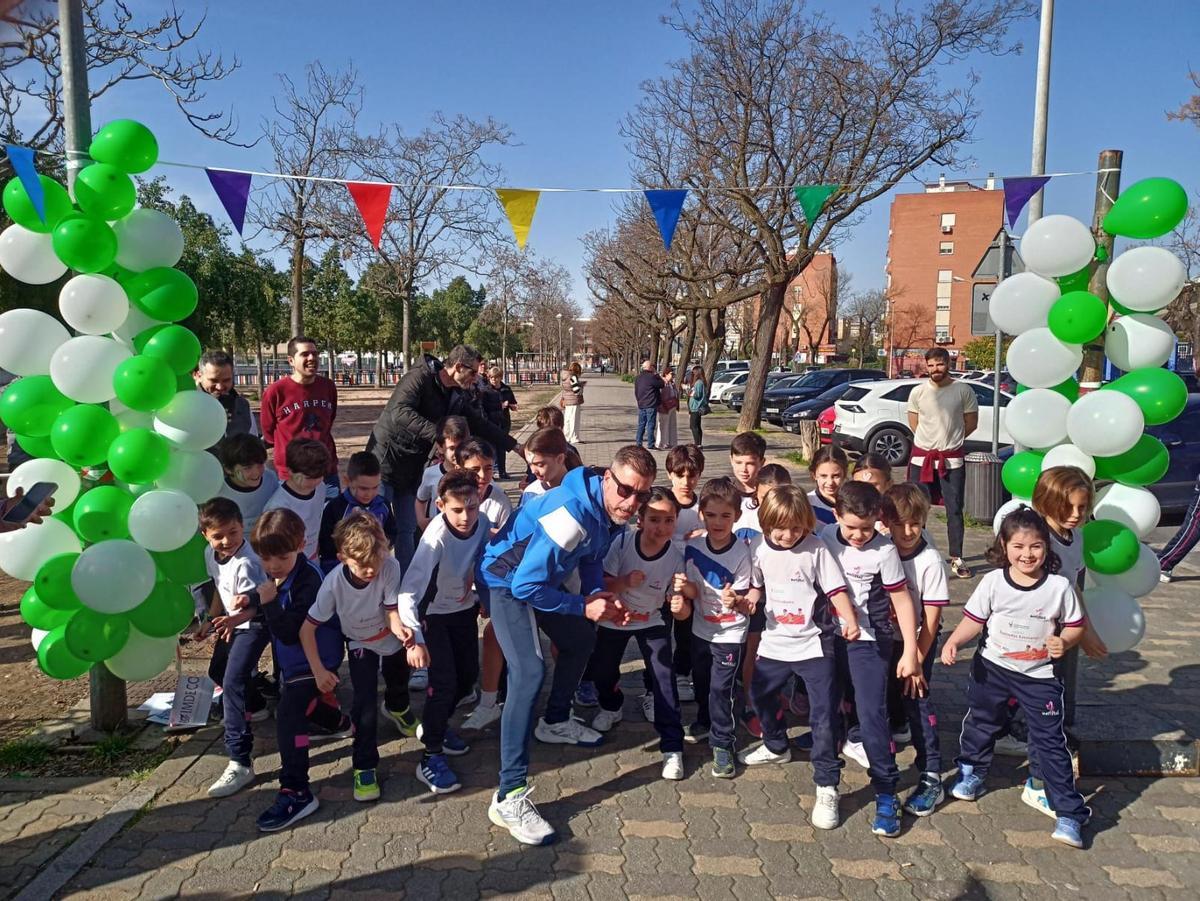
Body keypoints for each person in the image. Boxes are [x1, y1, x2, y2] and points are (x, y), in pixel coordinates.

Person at [478, 445, 654, 845]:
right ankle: (508, 796)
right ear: (607, 478)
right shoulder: (571, 515)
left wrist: (596, 594)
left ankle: (555, 721)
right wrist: (582, 605)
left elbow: (590, 557)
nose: (632, 503)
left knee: (580, 640)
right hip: (505, 582)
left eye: (641, 494)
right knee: (528, 673)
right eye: (625, 490)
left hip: (538, 581)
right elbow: (525, 586)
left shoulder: (606, 510)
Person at [941, 507, 1091, 849]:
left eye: (1036, 546)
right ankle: (972, 771)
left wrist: (1065, 641)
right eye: (1018, 546)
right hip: (992, 668)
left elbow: (1075, 625)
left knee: (1050, 741)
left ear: (1047, 547)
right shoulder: (993, 582)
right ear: (1004, 547)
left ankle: (1069, 811)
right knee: (982, 721)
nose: (1027, 554)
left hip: (1039, 677)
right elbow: (974, 620)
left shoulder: (1059, 587)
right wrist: (953, 642)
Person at [736, 486, 857, 831]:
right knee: (759, 694)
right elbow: (756, 585)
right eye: (781, 528)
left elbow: (836, 590)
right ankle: (776, 745)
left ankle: (827, 784)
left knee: (823, 716)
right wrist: (749, 600)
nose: (789, 535)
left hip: (814, 645)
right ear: (765, 523)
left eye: (796, 528)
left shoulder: (816, 549)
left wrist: (849, 619)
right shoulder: (758, 548)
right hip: (775, 642)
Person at [819, 481, 921, 838]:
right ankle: (826, 785)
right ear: (836, 515)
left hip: (869, 643)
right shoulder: (824, 537)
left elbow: (902, 600)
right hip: (827, 639)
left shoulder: (885, 551)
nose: (859, 535)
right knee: (825, 712)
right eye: (851, 527)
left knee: (872, 715)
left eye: (866, 528)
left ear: (877, 518)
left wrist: (910, 650)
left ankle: (886, 792)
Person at [367, 345, 518, 570]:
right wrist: (439, 436)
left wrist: (515, 445)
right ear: (458, 367)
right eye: (473, 372)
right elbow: (400, 412)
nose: (477, 377)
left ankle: (406, 578)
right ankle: (369, 577)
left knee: (406, 529)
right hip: (385, 460)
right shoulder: (419, 378)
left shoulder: (456, 393)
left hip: (412, 467)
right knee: (375, 526)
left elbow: (478, 422)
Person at [301, 513, 411, 802]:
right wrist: (318, 670)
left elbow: (391, 611)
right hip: (360, 642)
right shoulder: (332, 585)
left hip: (389, 638)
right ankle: (364, 765)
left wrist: (405, 633)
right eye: (362, 565)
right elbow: (306, 629)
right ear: (342, 558)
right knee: (364, 704)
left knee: (400, 678)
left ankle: (398, 707)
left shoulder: (390, 565)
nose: (372, 569)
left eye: (377, 560)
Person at [394, 470, 490, 794]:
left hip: (463, 610)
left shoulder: (482, 522)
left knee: (467, 678)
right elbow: (408, 592)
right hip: (432, 617)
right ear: (440, 505)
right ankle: (430, 755)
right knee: (444, 683)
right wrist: (415, 641)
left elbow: (484, 558)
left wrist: (482, 591)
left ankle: (437, 725)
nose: (466, 517)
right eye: (457, 510)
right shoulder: (434, 538)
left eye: (472, 507)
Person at [251, 508, 347, 832]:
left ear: (301, 545)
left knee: (289, 718)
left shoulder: (309, 580)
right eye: (266, 558)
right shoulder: (281, 575)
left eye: (281, 556)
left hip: (316, 660)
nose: (273, 565)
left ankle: (296, 791)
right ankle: (339, 723)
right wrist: (249, 606)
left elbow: (290, 631)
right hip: (295, 662)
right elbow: (270, 605)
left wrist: (267, 603)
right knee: (301, 704)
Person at [587, 487, 687, 780]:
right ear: (640, 519)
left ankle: (672, 746)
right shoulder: (622, 543)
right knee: (602, 670)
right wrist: (624, 582)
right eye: (654, 519)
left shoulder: (676, 558)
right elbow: (602, 582)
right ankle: (611, 705)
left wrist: (679, 605)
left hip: (651, 620)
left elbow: (680, 606)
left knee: (664, 678)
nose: (661, 527)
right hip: (615, 618)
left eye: (669, 520)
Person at [679, 477, 757, 778]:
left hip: (730, 633)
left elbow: (745, 600)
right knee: (701, 682)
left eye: (726, 515)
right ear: (701, 514)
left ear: (737, 516)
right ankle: (704, 719)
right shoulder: (693, 547)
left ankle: (723, 743)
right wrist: (683, 588)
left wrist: (734, 600)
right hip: (700, 630)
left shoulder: (742, 554)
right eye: (711, 515)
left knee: (721, 689)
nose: (718, 522)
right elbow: (693, 591)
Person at [879, 484, 949, 817]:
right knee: (885, 698)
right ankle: (888, 754)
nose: (907, 532)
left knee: (917, 699)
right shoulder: (882, 549)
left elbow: (932, 621)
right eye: (899, 524)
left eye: (915, 524)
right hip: (886, 640)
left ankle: (932, 774)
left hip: (919, 641)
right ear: (886, 522)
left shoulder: (930, 560)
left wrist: (917, 660)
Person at [199, 497, 269, 799]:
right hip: (232, 622)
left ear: (242, 527)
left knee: (232, 683)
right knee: (218, 671)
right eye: (219, 536)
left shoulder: (248, 562)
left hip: (255, 624)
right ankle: (257, 706)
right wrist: (211, 619)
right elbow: (219, 587)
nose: (227, 541)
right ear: (205, 535)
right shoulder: (210, 554)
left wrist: (232, 620)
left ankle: (240, 761)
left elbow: (258, 603)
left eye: (233, 532)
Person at [906, 347, 979, 579]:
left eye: (939, 364)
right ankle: (918, 552)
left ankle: (957, 557)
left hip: (951, 461)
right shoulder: (918, 392)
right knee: (917, 508)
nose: (935, 369)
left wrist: (950, 441)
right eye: (931, 365)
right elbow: (914, 422)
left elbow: (971, 423)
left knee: (954, 509)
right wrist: (929, 443)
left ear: (948, 364)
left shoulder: (963, 390)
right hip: (922, 459)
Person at [456, 439, 513, 731]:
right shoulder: (451, 495)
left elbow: (507, 547)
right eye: (475, 469)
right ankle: (466, 687)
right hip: (457, 583)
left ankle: (501, 694)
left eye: (488, 468)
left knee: (499, 634)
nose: (482, 475)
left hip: (490, 581)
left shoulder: (499, 500)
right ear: (458, 467)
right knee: (463, 639)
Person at [260, 337, 339, 497]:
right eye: (305, 354)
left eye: (315, 354)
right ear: (291, 360)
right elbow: (269, 433)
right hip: (292, 475)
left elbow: (328, 421)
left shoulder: (328, 387)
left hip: (326, 474)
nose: (311, 358)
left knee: (330, 513)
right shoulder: (276, 392)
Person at [665, 444, 705, 705]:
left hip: (689, 584)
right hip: (659, 581)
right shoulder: (660, 504)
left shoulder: (703, 508)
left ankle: (681, 674)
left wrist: (705, 533)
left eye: (692, 475)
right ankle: (655, 681)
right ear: (670, 474)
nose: (686, 482)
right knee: (658, 632)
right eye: (680, 475)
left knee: (685, 633)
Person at [318, 451, 398, 574]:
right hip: (342, 569)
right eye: (363, 488)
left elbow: (391, 532)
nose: (369, 494)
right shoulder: (335, 507)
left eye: (375, 487)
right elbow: (326, 544)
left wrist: (382, 545)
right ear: (347, 481)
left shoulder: (383, 505)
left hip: (374, 569)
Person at [263, 439, 330, 562]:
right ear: (290, 470)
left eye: (319, 476)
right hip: (290, 563)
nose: (315, 481)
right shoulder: (278, 506)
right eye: (309, 478)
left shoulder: (321, 488)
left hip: (313, 558)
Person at [216, 434, 280, 535]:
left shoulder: (270, 479)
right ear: (228, 469)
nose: (256, 472)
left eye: (260, 464)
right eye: (247, 468)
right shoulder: (219, 493)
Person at [416, 417, 470, 531]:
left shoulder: (473, 473)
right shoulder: (431, 473)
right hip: (439, 532)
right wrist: (421, 520)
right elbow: (420, 500)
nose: (457, 452)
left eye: (461, 447)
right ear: (440, 447)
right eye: (452, 448)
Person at [194, 350, 259, 439]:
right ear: (198, 376)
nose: (220, 387)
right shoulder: (187, 405)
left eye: (226, 380)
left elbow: (251, 439)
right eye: (213, 380)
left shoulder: (242, 406)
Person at [481, 366, 517, 479]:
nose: (493, 380)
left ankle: (502, 471)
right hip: (491, 422)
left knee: (502, 447)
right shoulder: (486, 391)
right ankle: (492, 471)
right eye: (491, 377)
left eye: (496, 378)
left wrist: (512, 406)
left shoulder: (506, 389)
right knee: (491, 448)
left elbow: (513, 402)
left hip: (504, 421)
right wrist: (499, 406)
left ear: (500, 377)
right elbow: (484, 406)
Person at [808, 445, 848, 526]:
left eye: (836, 476)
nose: (830, 482)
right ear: (814, 475)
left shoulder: (853, 503)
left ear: (845, 473)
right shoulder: (806, 504)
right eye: (823, 476)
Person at [633, 360, 664, 448]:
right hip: (651, 404)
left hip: (641, 404)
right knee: (650, 424)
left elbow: (636, 391)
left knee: (641, 424)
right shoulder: (652, 377)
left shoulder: (638, 377)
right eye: (652, 366)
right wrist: (657, 375)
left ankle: (638, 442)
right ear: (650, 367)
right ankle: (650, 443)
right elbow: (661, 384)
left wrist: (639, 400)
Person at [655, 367, 679, 450]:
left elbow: (675, 393)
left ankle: (672, 442)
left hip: (672, 405)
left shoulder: (672, 383)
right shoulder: (663, 382)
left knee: (672, 425)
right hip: (664, 406)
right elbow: (660, 394)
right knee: (663, 425)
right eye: (671, 374)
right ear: (666, 374)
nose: (672, 376)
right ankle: (661, 443)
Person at [561, 361, 584, 444]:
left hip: (567, 400)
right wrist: (581, 386)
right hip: (574, 400)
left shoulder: (565, 376)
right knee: (574, 419)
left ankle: (566, 437)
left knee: (567, 419)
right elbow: (577, 391)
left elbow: (566, 388)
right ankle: (574, 437)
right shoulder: (573, 377)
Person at [687, 366, 708, 447]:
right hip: (695, 407)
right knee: (697, 425)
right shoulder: (698, 382)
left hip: (696, 407)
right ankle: (698, 443)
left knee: (694, 426)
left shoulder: (699, 383)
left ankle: (698, 443)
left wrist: (690, 393)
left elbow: (698, 395)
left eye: (693, 373)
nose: (692, 374)